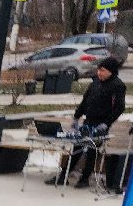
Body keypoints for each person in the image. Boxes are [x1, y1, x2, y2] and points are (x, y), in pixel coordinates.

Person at [49, 57, 127, 187]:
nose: (99, 73)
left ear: (111, 71)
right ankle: (63, 176)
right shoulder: (95, 83)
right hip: (88, 121)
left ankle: (85, 179)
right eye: (98, 70)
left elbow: (119, 108)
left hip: (101, 124)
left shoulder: (118, 85)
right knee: (77, 148)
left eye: (102, 70)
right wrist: (76, 116)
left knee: (92, 151)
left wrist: (106, 123)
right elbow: (85, 102)